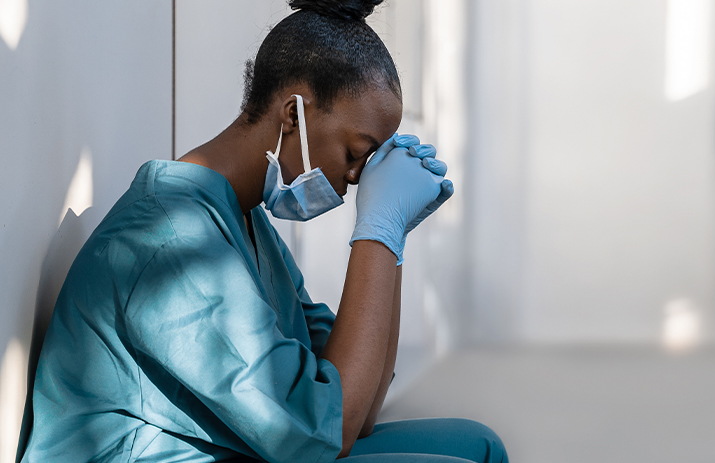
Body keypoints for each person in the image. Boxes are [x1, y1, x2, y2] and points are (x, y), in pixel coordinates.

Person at [19, 1, 509, 462]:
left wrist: (394, 240)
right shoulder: (171, 240)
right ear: (293, 113)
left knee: (478, 445)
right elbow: (325, 429)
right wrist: (377, 230)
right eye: (357, 153)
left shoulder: (246, 220)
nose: (360, 180)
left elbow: (359, 405)